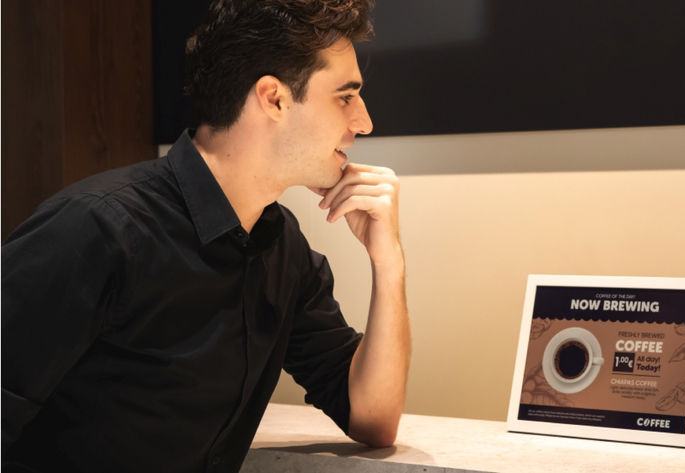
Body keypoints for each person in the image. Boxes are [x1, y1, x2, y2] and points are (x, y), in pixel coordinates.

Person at [1, 0, 410, 471]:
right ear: (273, 98)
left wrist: (389, 262)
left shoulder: (281, 248)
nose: (364, 121)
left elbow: (372, 416)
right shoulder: (98, 228)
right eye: (345, 96)